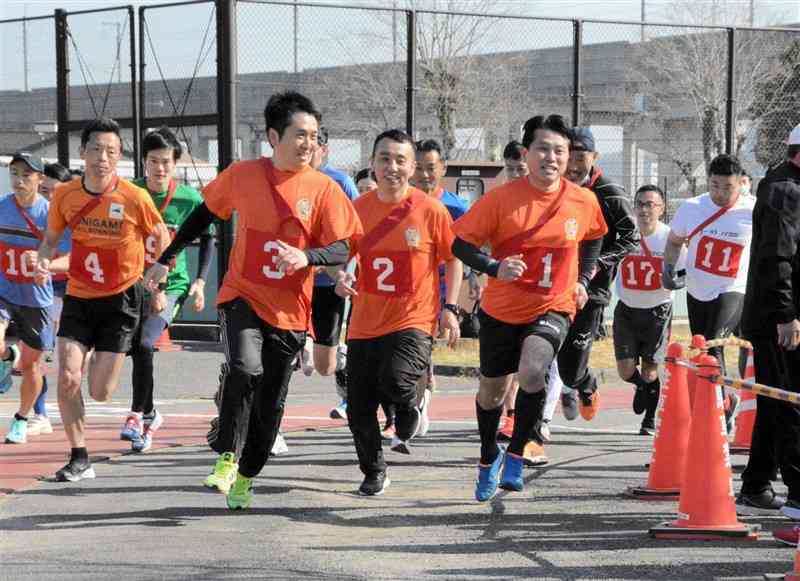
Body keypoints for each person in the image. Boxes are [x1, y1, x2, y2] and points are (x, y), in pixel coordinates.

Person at [143, 91, 361, 509]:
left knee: (270, 401)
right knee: (244, 367)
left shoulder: (324, 189)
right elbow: (203, 216)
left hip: (291, 311)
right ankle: (226, 456)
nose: (308, 143)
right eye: (300, 134)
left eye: (314, 136)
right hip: (242, 294)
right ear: (273, 136)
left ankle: (246, 475)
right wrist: (166, 259)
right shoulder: (243, 175)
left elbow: (344, 246)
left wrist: (306, 256)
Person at [452, 114, 607, 501]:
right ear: (526, 153)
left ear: (569, 156)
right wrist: (495, 267)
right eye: (542, 149)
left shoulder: (583, 200)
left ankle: (519, 452)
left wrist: (583, 281)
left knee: (534, 369)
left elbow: (595, 239)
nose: (550, 157)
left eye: (559, 150)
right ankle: (489, 455)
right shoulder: (501, 199)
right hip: (501, 310)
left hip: (553, 306)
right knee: (491, 392)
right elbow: (460, 245)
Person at [32, 117, 170, 481]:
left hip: (121, 300)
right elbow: (50, 238)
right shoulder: (65, 194)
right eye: (95, 149)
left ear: (119, 156)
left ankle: (96, 359)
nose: (102, 157)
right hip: (79, 296)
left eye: (110, 151)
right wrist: (44, 259)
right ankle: (79, 457)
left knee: (100, 390)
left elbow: (161, 236)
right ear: (83, 152)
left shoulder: (134, 197)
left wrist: (159, 274)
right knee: (67, 377)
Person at [335, 129, 461, 496]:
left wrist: (450, 309)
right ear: (373, 164)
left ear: (413, 166)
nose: (392, 167)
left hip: (413, 318)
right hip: (364, 321)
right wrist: (342, 277)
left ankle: (410, 401)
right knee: (358, 407)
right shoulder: (358, 209)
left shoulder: (430, 210)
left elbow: (453, 261)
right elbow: (344, 256)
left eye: (400, 160)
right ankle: (374, 470)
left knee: (395, 382)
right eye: (384, 159)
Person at [118, 127, 214, 452]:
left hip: (172, 285)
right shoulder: (130, 193)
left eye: (166, 162)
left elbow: (209, 238)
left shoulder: (189, 199)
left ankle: (136, 416)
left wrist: (200, 282)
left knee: (146, 344)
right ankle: (150, 414)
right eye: (154, 161)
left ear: (175, 165)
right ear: (144, 162)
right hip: (133, 285)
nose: (160, 168)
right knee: (131, 349)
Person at [734, 124, 800, 519]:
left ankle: (757, 483)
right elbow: (777, 258)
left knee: (777, 399)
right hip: (779, 318)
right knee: (790, 402)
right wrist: (787, 315)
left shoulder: (784, 185)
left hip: (776, 315)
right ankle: (797, 496)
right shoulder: (786, 191)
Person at [662, 153, 754, 432]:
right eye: (714, 186)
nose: (720, 193)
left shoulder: (753, 210)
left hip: (732, 288)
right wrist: (668, 267)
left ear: (741, 184)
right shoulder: (691, 207)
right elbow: (675, 240)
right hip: (697, 288)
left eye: (728, 187)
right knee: (702, 348)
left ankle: (718, 417)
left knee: (714, 344)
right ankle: (727, 401)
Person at [557, 127, 639, 422]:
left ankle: (584, 384)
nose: (575, 166)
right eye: (571, 157)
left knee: (571, 368)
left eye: (582, 157)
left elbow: (632, 237)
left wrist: (596, 264)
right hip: (552, 287)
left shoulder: (610, 192)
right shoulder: (554, 188)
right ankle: (532, 428)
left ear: (594, 157)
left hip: (591, 292)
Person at [1, 153, 69, 444]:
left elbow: (71, 258)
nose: (18, 180)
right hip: (3, 292)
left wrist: (46, 264)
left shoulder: (51, 215)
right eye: (14, 173)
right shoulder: (2, 207)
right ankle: (7, 355)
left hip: (36, 299)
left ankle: (21, 418)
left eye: (26, 175)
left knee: (31, 366)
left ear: (40, 179)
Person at [614, 185, 685, 436]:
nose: (645, 210)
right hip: (627, 309)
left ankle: (649, 420)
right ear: (634, 206)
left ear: (661, 209)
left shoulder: (670, 238)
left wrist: (676, 281)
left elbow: (686, 270)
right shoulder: (624, 234)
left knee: (650, 369)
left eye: (651, 205)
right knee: (625, 370)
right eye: (640, 204)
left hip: (657, 311)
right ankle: (641, 387)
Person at [410, 138, 468, 437]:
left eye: (430, 168)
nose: (424, 175)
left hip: (442, 288)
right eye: (418, 168)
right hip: (409, 290)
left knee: (422, 348)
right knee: (411, 351)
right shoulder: (399, 202)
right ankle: (417, 396)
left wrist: (456, 301)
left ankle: (418, 398)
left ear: (442, 168)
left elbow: (466, 252)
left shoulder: (456, 207)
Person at [307, 126, 359, 421]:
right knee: (285, 348)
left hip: (331, 282)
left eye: (316, 143)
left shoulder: (341, 183)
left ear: (323, 149)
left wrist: (342, 272)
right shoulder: (286, 179)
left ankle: (345, 387)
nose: (309, 148)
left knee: (325, 362)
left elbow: (354, 236)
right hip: (292, 281)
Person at [25, 162, 74, 436]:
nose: (48, 196)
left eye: (54, 191)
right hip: (41, 293)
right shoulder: (28, 214)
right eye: (44, 190)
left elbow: (74, 258)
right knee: (38, 354)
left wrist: (48, 265)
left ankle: (71, 408)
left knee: (68, 363)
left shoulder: (73, 218)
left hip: (72, 291)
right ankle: (40, 413)